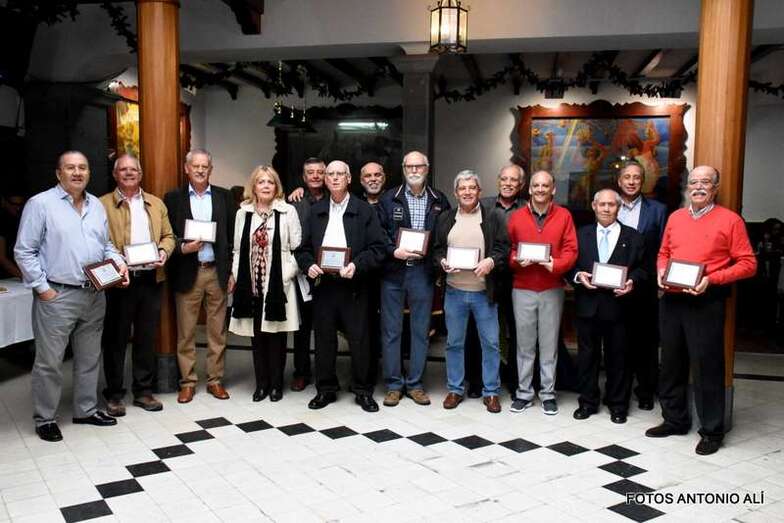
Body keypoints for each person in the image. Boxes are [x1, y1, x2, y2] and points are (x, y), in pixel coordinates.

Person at [14, 150, 127, 442]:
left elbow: (107, 247)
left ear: (89, 173)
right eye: (70, 168)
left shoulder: (97, 206)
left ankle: (86, 410)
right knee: (49, 361)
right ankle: (45, 418)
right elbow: (23, 251)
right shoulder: (41, 204)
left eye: (83, 168)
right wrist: (43, 288)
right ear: (58, 173)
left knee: (89, 357)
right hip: (58, 295)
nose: (77, 173)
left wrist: (119, 264)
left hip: (94, 293)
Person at [646, 165, 756, 456]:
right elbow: (663, 253)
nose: (698, 187)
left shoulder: (730, 220)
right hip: (672, 299)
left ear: (715, 188)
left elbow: (748, 263)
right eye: (693, 182)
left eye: (705, 182)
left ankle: (711, 430)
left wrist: (712, 279)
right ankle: (674, 419)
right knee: (671, 362)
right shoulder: (676, 218)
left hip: (706, 299)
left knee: (706, 366)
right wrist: (659, 271)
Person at [294, 160, 385, 412]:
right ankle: (325, 389)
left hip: (354, 285)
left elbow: (378, 249)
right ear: (325, 179)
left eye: (339, 174)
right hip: (324, 285)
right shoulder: (315, 211)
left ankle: (363, 391)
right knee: (324, 340)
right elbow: (301, 249)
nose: (334, 178)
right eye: (330, 174)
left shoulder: (364, 210)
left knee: (360, 340)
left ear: (349, 179)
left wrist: (357, 265)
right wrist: (308, 264)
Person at [100, 154, 176, 416]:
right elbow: (98, 242)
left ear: (141, 174)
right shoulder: (101, 205)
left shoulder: (155, 204)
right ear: (115, 174)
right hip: (119, 282)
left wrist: (164, 252)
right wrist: (118, 264)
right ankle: (113, 394)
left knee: (146, 337)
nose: (129, 173)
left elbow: (168, 236)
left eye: (134, 169)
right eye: (123, 169)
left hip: (151, 279)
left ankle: (143, 391)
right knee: (115, 339)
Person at [378, 151, 451, 407]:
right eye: (409, 165)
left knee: (420, 331)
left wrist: (438, 263)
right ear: (403, 168)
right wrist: (393, 250)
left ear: (427, 168)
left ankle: (416, 384)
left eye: (419, 165)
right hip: (393, 273)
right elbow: (379, 235)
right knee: (391, 331)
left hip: (422, 272)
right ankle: (394, 385)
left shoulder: (439, 200)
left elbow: (445, 236)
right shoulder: (389, 198)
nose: (414, 169)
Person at [432, 170, 508, 413]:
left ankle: (491, 392)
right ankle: (454, 389)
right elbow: (436, 250)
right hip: (454, 292)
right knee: (454, 343)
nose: (467, 192)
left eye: (471, 188)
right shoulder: (445, 218)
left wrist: (491, 262)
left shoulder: (493, 217)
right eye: (462, 188)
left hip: (484, 293)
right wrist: (442, 261)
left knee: (491, 343)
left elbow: (503, 248)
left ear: (479, 192)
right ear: (455, 193)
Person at [164, 148, 236, 404]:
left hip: (216, 271)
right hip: (187, 272)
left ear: (210, 169)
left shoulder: (224, 197)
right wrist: (184, 247)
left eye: (205, 166)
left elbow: (230, 239)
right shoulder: (172, 199)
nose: (200, 170)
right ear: (187, 168)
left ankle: (215, 380)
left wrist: (230, 272)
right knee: (186, 333)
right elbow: (167, 235)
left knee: (218, 332)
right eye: (195, 165)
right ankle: (188, 382)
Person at [569, 189, 646, 424]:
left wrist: (633, 281)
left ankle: (618, 404)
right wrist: (577, 275)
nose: (606, 208)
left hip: (619, 307)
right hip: (587, 306)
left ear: (619, 207)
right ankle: (588, 402)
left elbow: (644, 270)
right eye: (601, 204)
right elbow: (568, 265)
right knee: (587, 357)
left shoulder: (633, 237)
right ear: (593, 206)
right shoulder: (580, 235)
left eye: (611, 205)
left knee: (618, 358)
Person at [507, 170, 577, 415]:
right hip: (523, 288)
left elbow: (571, 250)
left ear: (553, 189)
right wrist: (516, 261)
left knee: (549, 345)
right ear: (529, 189)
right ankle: (524, 393)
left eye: (545, 185)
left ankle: (548, 393)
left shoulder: (564, 216)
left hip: (551, 288)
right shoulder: (516, 217)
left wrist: (555, 265)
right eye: (535, 185)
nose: (539, 189)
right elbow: (509, 250)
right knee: (525, 345)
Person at [229, 166, 301, 402]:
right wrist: (237, 275)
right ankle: (261, 384)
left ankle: (277, 386)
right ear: (254, 186)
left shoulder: (287, 211)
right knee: (257, 335)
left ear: (276, 186)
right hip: (251, 283)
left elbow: (297, 249)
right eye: (261, 182)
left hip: (278, 285)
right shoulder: (243, 213)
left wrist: (285, 276)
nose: (266, 186)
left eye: (270, 181)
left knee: (277, 336)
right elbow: (238, 249)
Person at [616, 160, 667, 411]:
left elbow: (664, 248)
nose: (632, 181)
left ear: (642, 180)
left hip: (645, 284)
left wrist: (660, 280)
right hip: (613, 284)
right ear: (619, 181)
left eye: (637, 177)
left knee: (645, 341)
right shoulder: (608, 205)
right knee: (618, 340)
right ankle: (618, 392)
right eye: (627, 177)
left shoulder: (657, 210)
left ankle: (645, 391)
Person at [475, 164, 527, 395]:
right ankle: (478, 381)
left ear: (521, 185)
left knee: (517, 332)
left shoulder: (527, 208)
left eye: (513, 180)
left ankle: (515, 381)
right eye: (503, 178)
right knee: (482, 331)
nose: (507, 183)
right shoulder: (483, 205)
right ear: (498, 181)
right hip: (487, 277)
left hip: (518, 277)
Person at [288, 157, 326, 392]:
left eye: (319, 172)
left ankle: (325, 371)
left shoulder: (336, 198)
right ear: (303, 177)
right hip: (302, 272)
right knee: (301, 328)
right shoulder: (295, 202)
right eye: (310, 172)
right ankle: (301, 372)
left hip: (330, 272)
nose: (315, 176)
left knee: (325, 325)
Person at [0, 188, 25, 279]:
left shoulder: (20, 219)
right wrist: (24, 277)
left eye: (20, 205)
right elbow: (1, 258)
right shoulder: (2, 221)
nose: (17, 208)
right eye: (13, 204)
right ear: (3, 202)